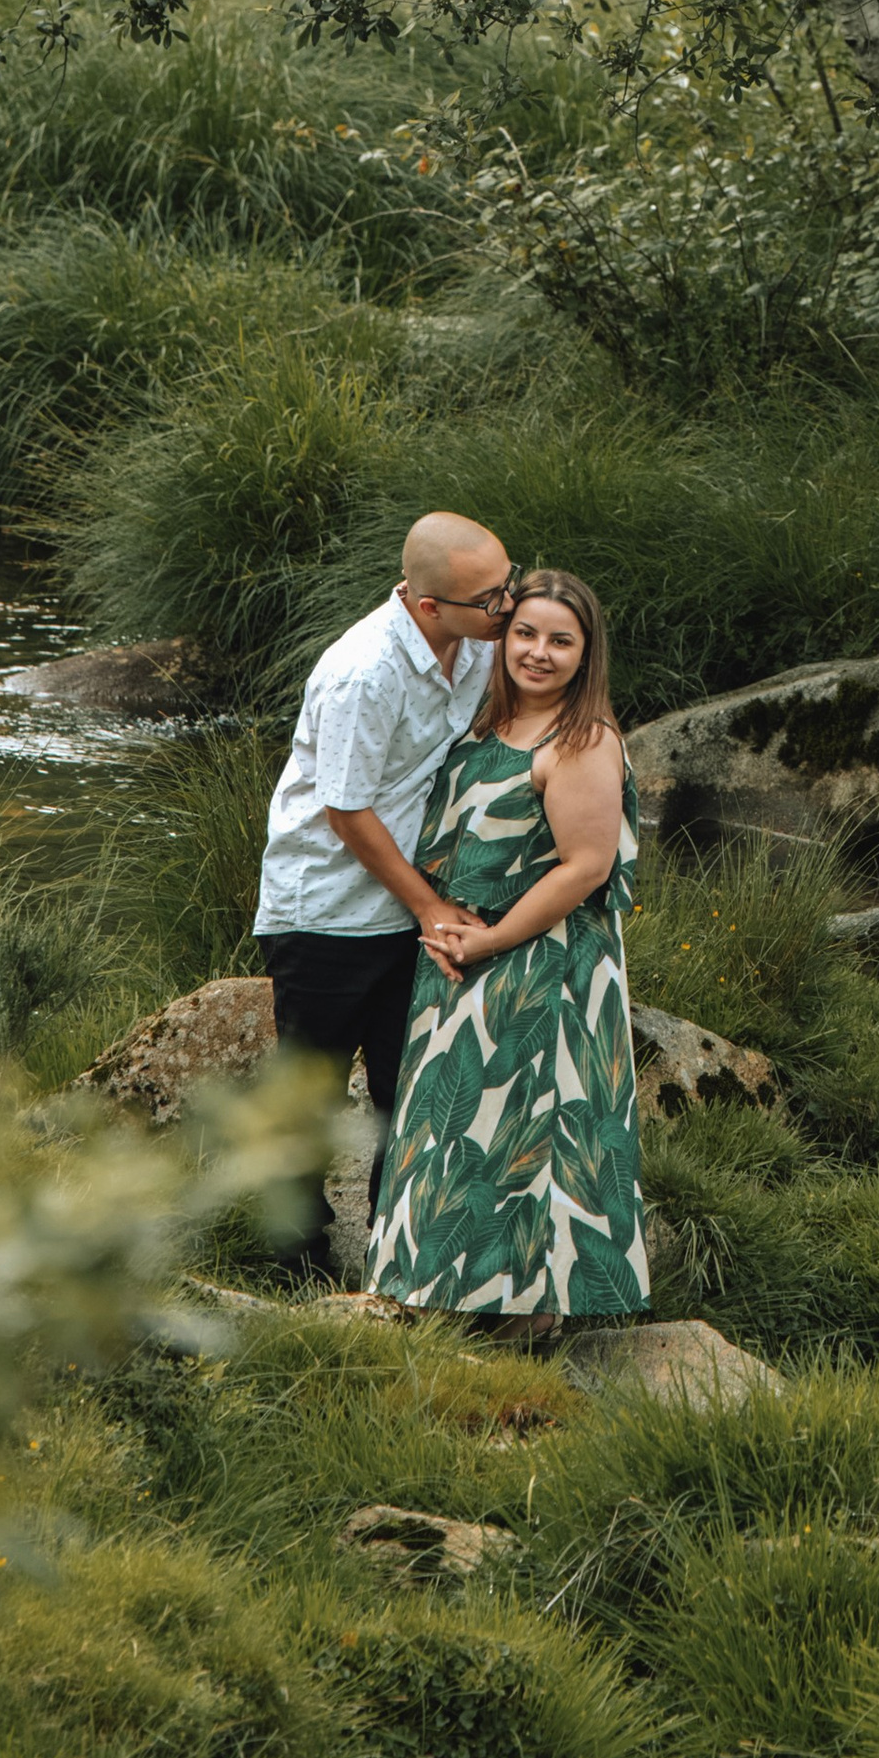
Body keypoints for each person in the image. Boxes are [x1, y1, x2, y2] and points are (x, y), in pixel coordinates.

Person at [368, 568, 649, 1326]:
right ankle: (443, 1297)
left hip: (541, 962)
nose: (538, 652)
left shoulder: (582, 739)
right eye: (525, 633)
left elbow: (586, 866)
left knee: (533, 1130)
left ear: (586, 655)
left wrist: (491, 937)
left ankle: (534, 1313)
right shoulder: (491, 721)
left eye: (562, 641)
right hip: (467, 953)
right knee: (457, 1128)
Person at [250, 509, 514, 1280]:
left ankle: (401, 1252)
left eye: (509, 586)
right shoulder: (363, 671)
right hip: (325, 911)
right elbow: (346, 811)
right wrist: (432, 905)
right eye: (491, 600)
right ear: (427, 605)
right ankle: (290, 1261)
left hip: (405, 908)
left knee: (411, 1087)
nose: (509, 608)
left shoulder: (469, 647)